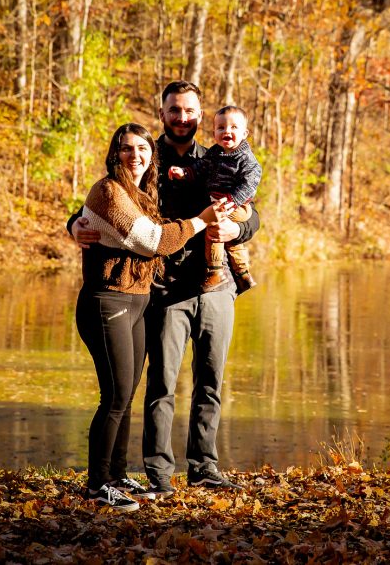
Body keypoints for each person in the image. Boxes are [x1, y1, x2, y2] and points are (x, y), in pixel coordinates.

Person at [70, 81, 259, 498]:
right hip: (162, 287)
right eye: (174, 110)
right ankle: (158, 474)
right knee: (161, 384)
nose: (182, 117)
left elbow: (251, 209)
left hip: (216, 284)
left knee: (211, 380)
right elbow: (105, 202)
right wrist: (74, 226)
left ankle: (204, 466)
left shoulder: (216, 155)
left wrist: (240, 227)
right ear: (163, 113)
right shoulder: (144, 156)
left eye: (189, 110)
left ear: (199, 114)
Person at [167, 105, 262, 293]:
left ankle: (215, 271)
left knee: (214, 227)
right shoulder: (214, 153)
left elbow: (250, 184)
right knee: (230, 238)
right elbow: (200, 167)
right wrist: (184, 172)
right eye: (221, 127)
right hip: (222, 204)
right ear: (214, 132)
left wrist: (231, 202)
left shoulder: (246, 159)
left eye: (234, 127)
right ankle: (242, 272)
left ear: (245, 133)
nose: (227, 131)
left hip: (237, 205)